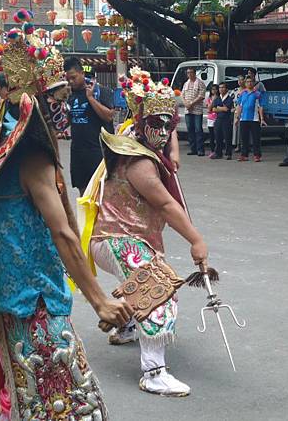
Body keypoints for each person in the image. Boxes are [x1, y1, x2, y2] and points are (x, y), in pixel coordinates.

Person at [0, 27, 131, 420]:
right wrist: (99, 298)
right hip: (37, 300)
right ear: (36, 101)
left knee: (27, 400)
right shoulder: (31, 154)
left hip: (8, 295)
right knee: (67, 405)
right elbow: (62, 232)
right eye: (55, 99)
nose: (61, 107)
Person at [86, 67, 209, 396]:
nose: (164, 129)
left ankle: (126, 326)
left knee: (140, 279)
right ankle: (153, 371)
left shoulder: (138, 145)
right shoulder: (139, 161)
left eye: (169, 123)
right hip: (116, 239)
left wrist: (172, 151)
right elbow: (167, 205)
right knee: (158, 287)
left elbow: (169, 148)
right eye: (156, 122)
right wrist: (196, 239)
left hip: (123, 239)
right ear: (140, 122)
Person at [64, 56, 114, 194]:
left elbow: (109, 116)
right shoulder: (69, 94)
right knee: (83, 192)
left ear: (82, 73)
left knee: (100, 192)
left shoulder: (100, 91)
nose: (71, 81)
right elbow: (68, 119)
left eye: (73, 77)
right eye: (68, 79)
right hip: (78, 153)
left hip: (98, 151)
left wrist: (90, 98)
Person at [235, 76, 265, 162]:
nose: (249, 83)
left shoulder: (257, 94)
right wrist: (237, 117)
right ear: (245, 83)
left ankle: (257, 155)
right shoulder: (242, 94)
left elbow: (260, 107)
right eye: (247, 82)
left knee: (256, 138)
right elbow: (239, 106)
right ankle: (244, 155)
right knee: (244, 138)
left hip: (254, 119)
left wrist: (262, 118)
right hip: (243, 119)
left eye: (251, 81)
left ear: (253, 83)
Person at [181, 67, 206, 156]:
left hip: (197, 110)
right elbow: (182, 95)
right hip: (188, 110)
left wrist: (191, 103)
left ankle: (200, 150)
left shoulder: (200, 83)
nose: (189, 74)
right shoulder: (186, 84)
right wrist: (186, 104)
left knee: (198, 129)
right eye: (188, 73)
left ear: (195, 73)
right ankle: (193, 149)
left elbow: (201, 96)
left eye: (191, 72)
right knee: (190, 129)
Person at [211, 82, 234, 160]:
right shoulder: (217, 98)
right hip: (218, 119)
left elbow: (227, 109)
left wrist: (219, 108)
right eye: (220, 88)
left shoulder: (230, 99)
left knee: (227, 137)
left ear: (226, 89)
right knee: (218, 137)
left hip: (226, 119)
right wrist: (221, 108)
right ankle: (218, 153)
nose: (221, 89)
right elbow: (213, 109)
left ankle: (228, 153)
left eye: (223, 87)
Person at [206, 84, 219, 157]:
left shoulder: (220, 98)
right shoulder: (209, 98)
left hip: (217, 118)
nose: (214, 91)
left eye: (215, 89)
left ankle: (217, 150)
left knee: (217, 135)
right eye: (213, 89)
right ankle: (212, 150)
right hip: (210, 118)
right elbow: (209, 109)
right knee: (211, 136)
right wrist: (213, 101)